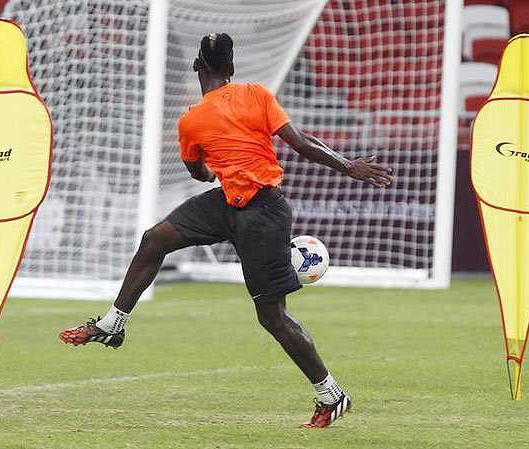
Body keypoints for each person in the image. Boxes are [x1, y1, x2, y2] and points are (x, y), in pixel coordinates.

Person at [59, 33, 393, 428]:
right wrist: (348, 166)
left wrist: (211, 157)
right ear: (231, 70)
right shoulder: (256, 94)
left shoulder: (190, 121)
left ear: (196, 66)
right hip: (232, 203)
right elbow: (301, 144)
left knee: (272, 317)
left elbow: (197, 172)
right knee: (155, 239)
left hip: (260, 215)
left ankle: (331, 395)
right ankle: (113, 325)